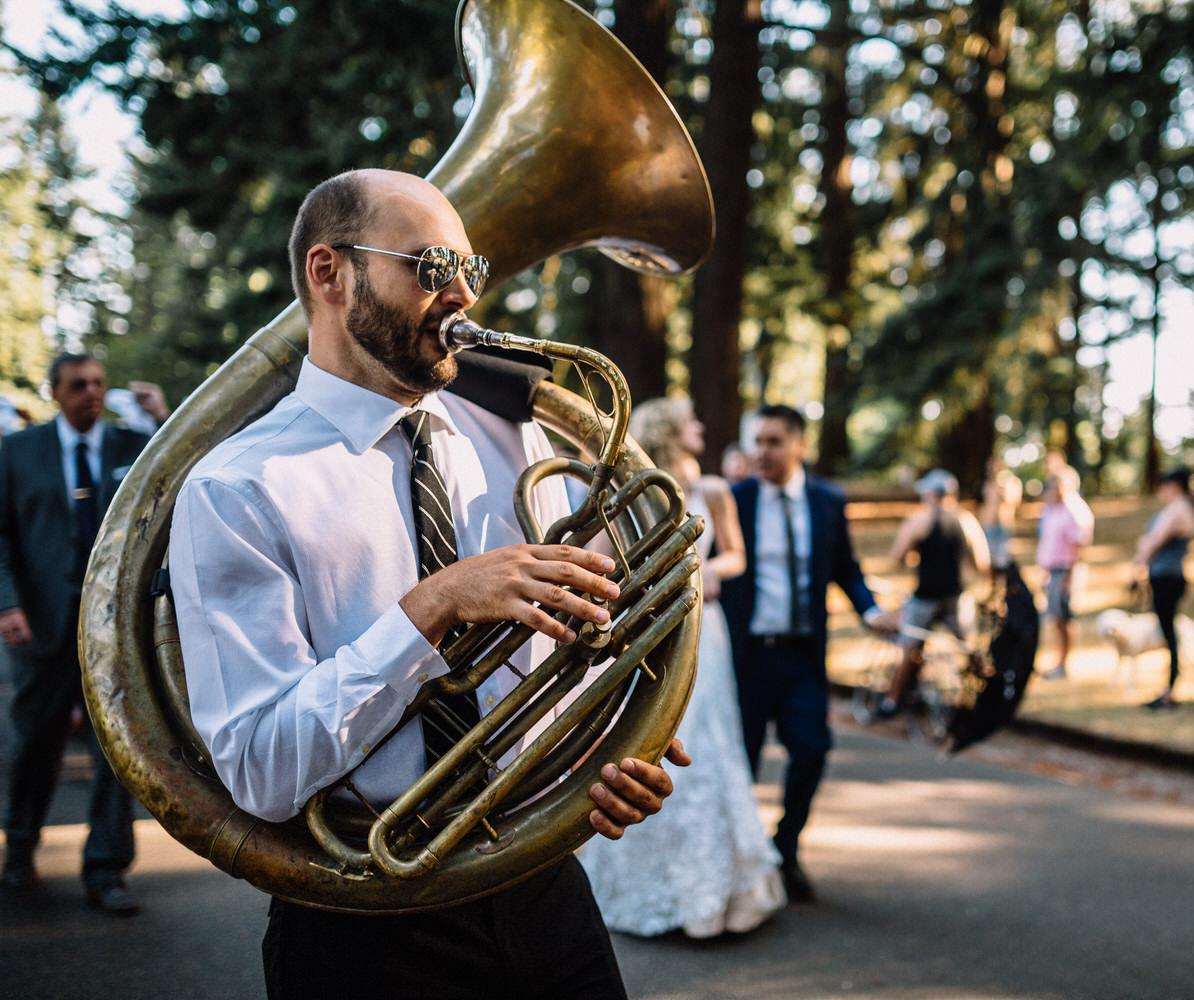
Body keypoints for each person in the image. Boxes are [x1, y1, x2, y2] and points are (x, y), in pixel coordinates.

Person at [167, 168, 688, 1000]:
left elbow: (580, 650)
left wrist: (608, 755)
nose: (462, 296)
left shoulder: (520, 436)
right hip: (363, 924)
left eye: (471, 272)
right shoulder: (237, 487)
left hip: (545, 892)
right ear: (329, 272)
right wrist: (431, 608)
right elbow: (261, 772)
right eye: (432, 266)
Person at [578, 398, 786, 938]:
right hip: (650, 628)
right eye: (692, 420)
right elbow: (600, 555)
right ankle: (654, 884)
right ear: (671, 430)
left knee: (710, 747)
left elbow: (735, 555)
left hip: (703, 631)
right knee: (648, 742)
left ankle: (715, 892)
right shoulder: (632, 487)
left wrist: (705, 570)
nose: (701, 426)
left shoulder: (713, 490)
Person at [0, 353, 169, 914]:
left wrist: (163, 415)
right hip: (42, 629)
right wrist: (7, 606)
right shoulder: (18, 450)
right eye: (79, 385)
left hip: (113, 632)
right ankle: (19, 847)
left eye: (98, 383)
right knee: (32, 747)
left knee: (117, 752)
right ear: (55, 392)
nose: (91, 393)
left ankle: (106, 868)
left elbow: (179, 483)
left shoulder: (132, 446)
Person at [720, 404, 897, 904]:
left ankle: (786, 846)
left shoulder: (827, 500)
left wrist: (870, 610)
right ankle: (746, 861)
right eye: (757, 441)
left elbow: (847, 568)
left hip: (802, 657)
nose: (761, 452)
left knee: (813, 750)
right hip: (747, 657)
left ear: (800, 445)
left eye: (773, 441)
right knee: (744, 762)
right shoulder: (736, 498)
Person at [876, 468, 990, 717]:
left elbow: (898, 557)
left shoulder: (919, 520)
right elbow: (982, 562)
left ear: (931, 494)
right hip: (957, 597)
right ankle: (982, 699)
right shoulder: (966, 521)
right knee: (969, 650)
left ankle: (891, 701)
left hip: (925, 597)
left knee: (909, 649)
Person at [1130, 466, 1194, 710]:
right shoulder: (1182, 508)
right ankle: (1168, 688)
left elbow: (1154, 542)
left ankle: (1169, 691)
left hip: (1167, 578)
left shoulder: (1178, 510)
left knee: (1169, 635)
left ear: (1175, 485)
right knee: (1168, 633)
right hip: (1169, 576)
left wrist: (1137, 565)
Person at [1034, 464, 1093, 680]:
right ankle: (1057, 662)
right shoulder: (1050, 509)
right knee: (1055, 618)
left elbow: (1080, 545)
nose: (1051, 489)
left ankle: (1064, 664)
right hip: (1051, 570)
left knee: (1064, 617)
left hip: (1065, 570)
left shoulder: (1074, 509)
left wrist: (1069, 577)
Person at [977, 455, 1023, 573]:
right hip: (987, 525)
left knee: (1003, 560)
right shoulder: (984, 484)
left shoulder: (1010, 483)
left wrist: (1001, 488)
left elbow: (1013, 502)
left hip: (1003, 526)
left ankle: (1004, 585)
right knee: (988, 559)